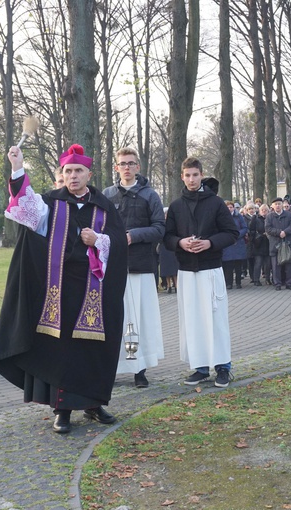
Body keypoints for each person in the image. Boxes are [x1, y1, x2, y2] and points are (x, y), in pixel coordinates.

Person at [0, 144, 127, 434]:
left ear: (89, 173)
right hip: (59, 292)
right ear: (62, 174)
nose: (73, 176)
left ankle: (93, 404)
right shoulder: (50, 203)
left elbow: (118, 244)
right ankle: (62, 410)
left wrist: (98, 241)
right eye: (68, 171)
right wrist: (17, 167)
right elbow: (24, 208)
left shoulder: (104, 206)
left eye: (78, 171)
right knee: (61, 350)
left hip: (94, 294)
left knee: (93, 349)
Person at [163, 157, 238, 388]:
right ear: (182, 177)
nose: (192, 179)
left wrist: (210, 243)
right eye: (187, 175)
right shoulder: (176, 206)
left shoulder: (215, 203)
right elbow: (167, 237)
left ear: (201, 175)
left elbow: (231, 232)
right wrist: (181, 242)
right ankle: (201, 367)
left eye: (195, 175)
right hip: (186, 270)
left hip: (210, 269)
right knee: (193, 320)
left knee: (215, 320)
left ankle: (223, 367)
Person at [102, 147, 166, 389]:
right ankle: (113, 368)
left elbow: (160, 228)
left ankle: (140, 368)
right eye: (122, 163)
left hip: (141, 267)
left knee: (140, 320)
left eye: (131, 163)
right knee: (115, 320)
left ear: (138, 167)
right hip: (112, 269)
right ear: (116, 167)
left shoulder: (150, 195)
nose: (126, 167)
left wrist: (133, 236)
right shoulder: (107, 195)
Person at [266, 197, 291, 291]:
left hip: (287, 243)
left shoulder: (288, 214)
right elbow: (268, 229)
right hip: (275, 244)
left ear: (282, 205)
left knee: (289, 265)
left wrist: (285, 232)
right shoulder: (269, 216)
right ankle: (277, 283)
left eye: (279, 204)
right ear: (272, 206)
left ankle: (289, 283)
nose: (278, 206)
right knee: (276, 266)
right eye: (276, 204)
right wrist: (279, 232)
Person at [221, 201, 248, 289]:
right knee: (228, 265)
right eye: (227, 207)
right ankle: (229, 283)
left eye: (231, 207)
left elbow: (244, 228)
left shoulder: (239, 217)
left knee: (238, 265)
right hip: (227, 243)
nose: (229, 209)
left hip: (238, 242)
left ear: (233, 208)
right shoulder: (222, 217)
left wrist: (237, 235)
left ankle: (238, 282)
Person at [250, 204, 272, 286]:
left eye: (266, 210)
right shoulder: (255, 218)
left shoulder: (270, 218)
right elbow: (251, 230)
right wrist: (256, 237)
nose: (264, 212)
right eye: (262, 210)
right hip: (258, 243)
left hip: (268, 243)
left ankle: (268, 279)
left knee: (268, 264)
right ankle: (256, 280)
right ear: (259, 211)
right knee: (258, 263)